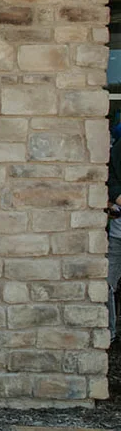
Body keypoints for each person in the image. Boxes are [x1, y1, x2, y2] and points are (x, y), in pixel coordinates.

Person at [108, 121, 121, 340]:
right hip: (118, 234)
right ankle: (108, 333)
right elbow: (111, 184)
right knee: (107, 285)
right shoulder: (118, 150)